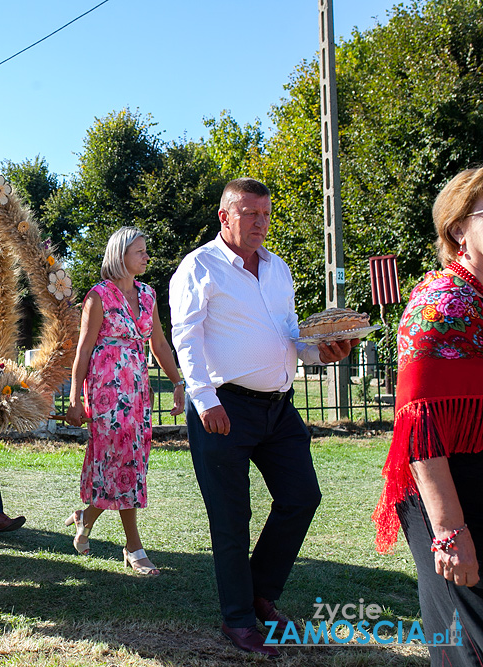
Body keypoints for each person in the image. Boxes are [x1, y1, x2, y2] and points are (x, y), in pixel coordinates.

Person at [169, 178, 356, 657]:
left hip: (278, 407)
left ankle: (258, 592)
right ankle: (238, 619)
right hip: (223, 406)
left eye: (266, 214)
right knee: (231, 518)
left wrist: (323, 353)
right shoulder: (199, 266)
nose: (260, 223)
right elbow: (185, 337)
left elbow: (289, 337)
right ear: (225, 217)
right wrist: (204, 399)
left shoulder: (278, 269)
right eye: (250, 213)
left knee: (301, 497)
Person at [372, 168, 483, 666]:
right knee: (468, 641)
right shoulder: (439, 303)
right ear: (459, 228)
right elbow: (419, 430)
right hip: (450, 490)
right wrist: (450, 533)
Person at [64, 226, 185, 576]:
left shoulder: (148, 294)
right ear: (120, 256)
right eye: (140, 251)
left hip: (137, 393)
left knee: (129, 460)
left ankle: (85, 517)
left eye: (146, 250)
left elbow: (159, 345)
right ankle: (133, 547)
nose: (147, 256)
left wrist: (177, 382)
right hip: (105, 392)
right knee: (119, 461)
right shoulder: (98, 296)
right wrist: (75, 400)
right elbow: (84, 350)